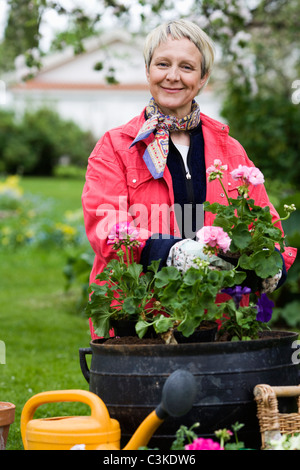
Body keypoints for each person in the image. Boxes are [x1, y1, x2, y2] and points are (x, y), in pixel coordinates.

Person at [82, 19, 297, 339]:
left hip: (216, 319)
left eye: (186, 66)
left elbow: (266, 228)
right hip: (141, 322)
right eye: (163, 64)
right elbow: (106, 226)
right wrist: (170, 253)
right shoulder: (117, 147)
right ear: (147, 70)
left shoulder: (229, 149)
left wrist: (267, 264)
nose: (173, 76)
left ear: (203, 78)